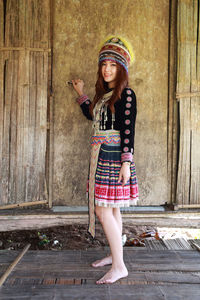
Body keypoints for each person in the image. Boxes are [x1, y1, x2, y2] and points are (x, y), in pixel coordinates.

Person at [71, 36, 139, 284]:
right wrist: (81, 93)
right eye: (104, 65)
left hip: (113, 156)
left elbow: (128, 130)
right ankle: (114, 255)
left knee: (102, 208)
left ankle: (120, 266)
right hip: (100, 155)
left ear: (121, 69)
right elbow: (93, 116)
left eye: (113, 65)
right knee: (111, 208)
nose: (107, 69)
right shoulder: (104, 95)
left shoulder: (126, 94)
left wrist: (126, 163)